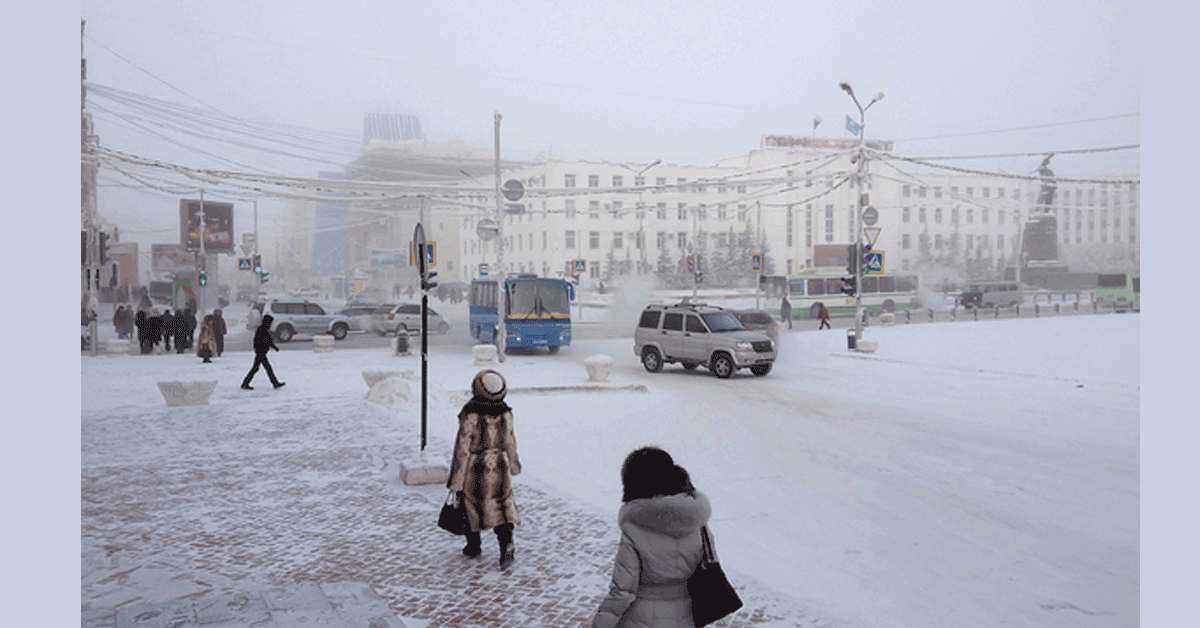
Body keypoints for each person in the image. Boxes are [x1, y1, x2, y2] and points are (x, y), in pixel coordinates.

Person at [592, 447, 711, 628]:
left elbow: (622, 591)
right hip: (686, 615)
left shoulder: (634, 528)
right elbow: (708, 568)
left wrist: (600, 625)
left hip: (641, 618)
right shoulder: (698, 523)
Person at [446, 369, 522, 569]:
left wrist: (456, 480)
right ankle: (506, 544)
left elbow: (462, 448)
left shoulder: (470, 413)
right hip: (498, 465)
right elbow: (510, 441)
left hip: (474, 467)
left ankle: (473, 546)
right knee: (502, 506)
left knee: (470, 506)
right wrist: (513, 464)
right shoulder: (505, 412)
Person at [242, 314, 284, 390]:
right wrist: (272, 347)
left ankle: (245, 383)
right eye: (270, 322)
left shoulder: (264, 329)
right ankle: (275, 383)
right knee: (266, 368)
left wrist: (274, 347)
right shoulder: (262, 329)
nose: (271, 323)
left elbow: (268, 341)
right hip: (261, 352)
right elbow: (259, 341)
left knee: (257, 368)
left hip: (261, 352)